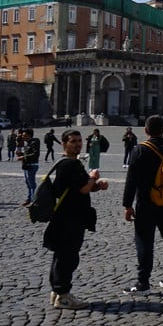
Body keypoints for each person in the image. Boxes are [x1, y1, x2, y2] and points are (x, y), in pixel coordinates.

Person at [42, 130, 108, 309]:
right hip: (69, 217)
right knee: (67, 257)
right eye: (73, 141)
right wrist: (93, 178)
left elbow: (81, 187)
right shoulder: (69, 165)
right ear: (64, 144)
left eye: (79, 140)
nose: (78, 144)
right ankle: (63, 296)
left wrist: (97, 186)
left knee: (62, 255)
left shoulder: (71, 163)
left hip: (68, 215)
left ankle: (56, 292)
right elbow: (82, 189)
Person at [122, 115, 163, 293]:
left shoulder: (140, 150)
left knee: (144, 242)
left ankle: (143, 282)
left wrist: (127, 205)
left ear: (146, 130)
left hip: (146, 203)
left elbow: (131, 180)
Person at [17, 128, 41, 206]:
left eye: (24, 135)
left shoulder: (34, 142)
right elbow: (28, 153)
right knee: (28, 183)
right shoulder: (27, 143)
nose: (22, 137)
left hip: (32, 165)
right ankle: (29, 198)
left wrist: (23, 157)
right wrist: (21, 154)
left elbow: (35, 154)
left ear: (29, 135)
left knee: (32, 184)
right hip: (26, 166)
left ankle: (34, 201)